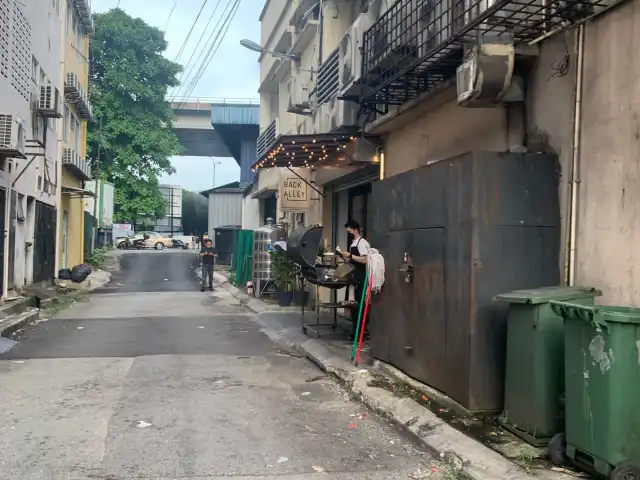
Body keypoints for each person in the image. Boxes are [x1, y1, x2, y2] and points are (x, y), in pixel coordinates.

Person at [340, 220, 371, 340]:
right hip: (353, 276)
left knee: (359, 303)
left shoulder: (363, 243)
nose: (349, 233)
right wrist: (345, 257)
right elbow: (352, 260)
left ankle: (362, 330)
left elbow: (364, 260)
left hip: (360, 276)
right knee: (353, 303)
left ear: (356, 230)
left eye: (350, 231)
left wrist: (351, 256)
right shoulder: (353, 243)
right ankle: (355, 328)